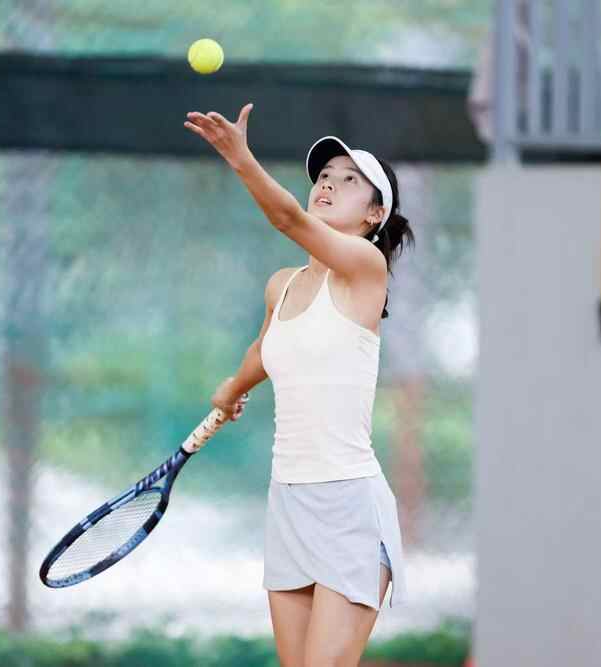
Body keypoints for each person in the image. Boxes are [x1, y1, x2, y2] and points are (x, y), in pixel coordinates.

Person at [184, 103, 414, 666]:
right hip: (287, 502)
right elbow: (264, 352)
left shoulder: (365, 269)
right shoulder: (282, 285)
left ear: (376, 213)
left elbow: (286, 218)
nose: (328, 185)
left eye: (349, 181)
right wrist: (232, 388)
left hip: (348, 506)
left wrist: (241, 159)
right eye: (324, 177)